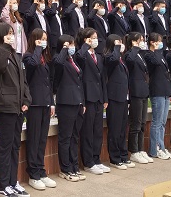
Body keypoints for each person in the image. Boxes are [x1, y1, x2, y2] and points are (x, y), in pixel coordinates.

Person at [0, 23, 31, 197]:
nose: (11, 36)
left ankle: (13, 181)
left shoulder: (15, 54)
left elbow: (23, 80)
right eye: (7, 33)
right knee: (5, 146)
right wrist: (5, 46)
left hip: (17, 106)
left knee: (14, 145)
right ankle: (4, 185)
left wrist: (26, 99)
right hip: (5, 105)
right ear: (0, 35)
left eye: (12, 33)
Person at [22, 29, 56, 191]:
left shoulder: (44, 58)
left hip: (45, 103)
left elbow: (48, 83)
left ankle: (41, 170)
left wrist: (51, 103)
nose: (44, 42)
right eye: (41, 39)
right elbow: (32, 65)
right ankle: (33, 174)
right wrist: (37, 49)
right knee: (34, 139)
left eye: (45, 39)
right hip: (34, 104)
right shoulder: (29, 56)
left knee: (42, 140)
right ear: (34, 40)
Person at [74, 27, 109, 175]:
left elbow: (102, 79)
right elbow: (79, 58)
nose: (95, 40)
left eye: (95, 37)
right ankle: (88, 162)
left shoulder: (99, 56)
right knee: (87, 131)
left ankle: (96, 158)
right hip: (88, 96)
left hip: (99, 97)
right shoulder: (81, 54)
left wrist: (105, 98)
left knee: (97, 131)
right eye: (92, 38)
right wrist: (85, 45)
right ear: (85, 40)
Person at [53, 35, 86, 183]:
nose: (72, 47)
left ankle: (74, 166)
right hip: (66, 103)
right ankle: (65, 168)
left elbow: (80, 81)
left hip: (77, 102)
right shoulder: (58, 59)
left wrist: (82, 102)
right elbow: (58, 64)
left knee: (74, 136)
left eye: (72, 44)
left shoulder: (73, 61)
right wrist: (64, 50)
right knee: (65, 137)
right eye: (68, 45)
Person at [103, 34, 133, 170]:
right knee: (114, 130)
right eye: (118, 42)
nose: (121, 45)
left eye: (121, 42)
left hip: (123, 97)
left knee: (122, 129)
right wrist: (116, 47)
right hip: (114, 98)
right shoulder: (108, 57)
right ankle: (115, 158)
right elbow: (113, 60)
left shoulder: (121, 59)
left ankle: (123, 155)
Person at [124, 32, 153, 164]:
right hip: (135, 91)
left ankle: (140, 149)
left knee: (142, 123)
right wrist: (135, 47)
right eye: (140, 40)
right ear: (133, 42)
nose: (143, 42)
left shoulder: (141, 55)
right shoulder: (130, 54)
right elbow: (129, 61)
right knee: (136, 122)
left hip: (143, 91)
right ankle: (134, 151)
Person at [145, 32, 171, 160]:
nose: (160, 43)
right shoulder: (149, 55)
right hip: (157, 90)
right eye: (158, 41)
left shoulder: (160, 55)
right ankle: (154, 149)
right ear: (152, 42)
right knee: (157, 121)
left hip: (165, 90)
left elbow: (166, 73)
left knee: (162, 122)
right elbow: (155, 64)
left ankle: (161, 146)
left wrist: (169, 92)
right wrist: (155, 50)